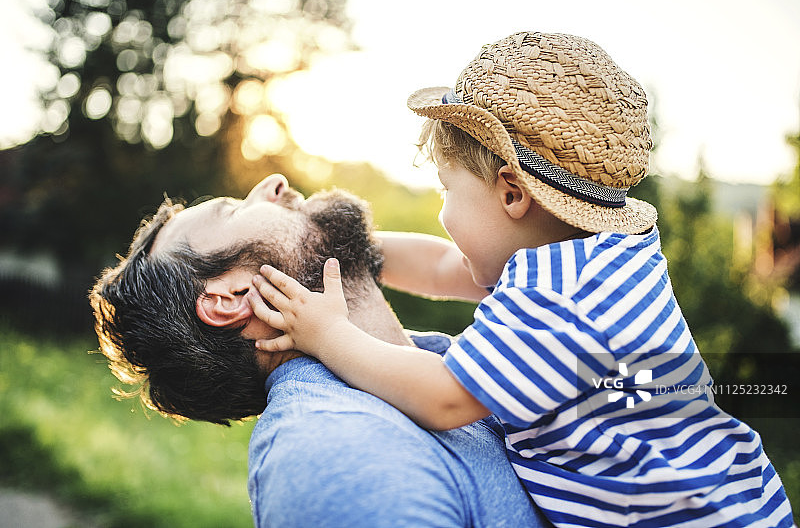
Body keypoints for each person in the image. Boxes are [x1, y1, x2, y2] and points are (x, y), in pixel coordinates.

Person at [249, 32, 795, 527]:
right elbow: (445, 268)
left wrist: (325, 334)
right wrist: (338, 247)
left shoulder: (557, 300)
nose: (443, 212)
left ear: (511, 192)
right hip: (731, 495)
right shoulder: (596, 257)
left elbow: (443, 398)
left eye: (447, 190)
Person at [89, 174, 550, 527]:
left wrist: (331, 238)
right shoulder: (332, 452)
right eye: (232, 211)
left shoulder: (453, 363)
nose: (272, 183)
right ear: (230, 298)